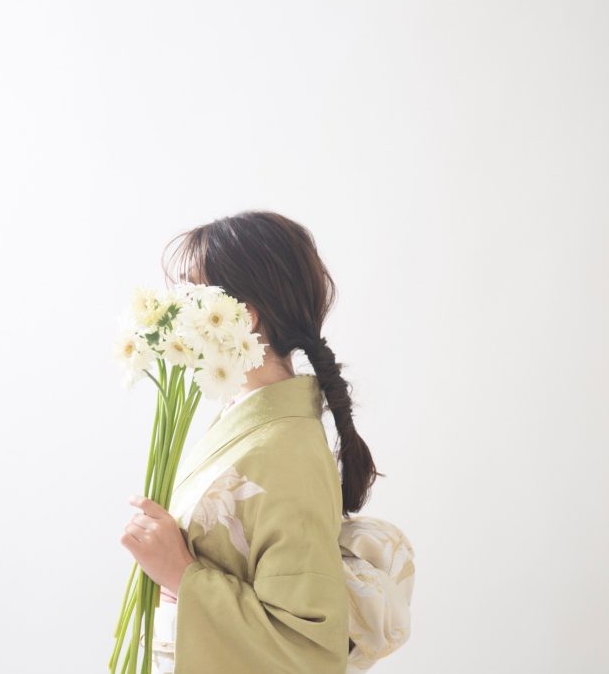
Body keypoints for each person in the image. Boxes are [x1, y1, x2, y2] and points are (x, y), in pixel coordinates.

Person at [120, 211, 409, 674]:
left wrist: (181, 574)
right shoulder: (253, 425)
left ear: (244, 317)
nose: (176, 316)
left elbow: (308, 651)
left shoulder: (285, 451)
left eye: (192, 298)